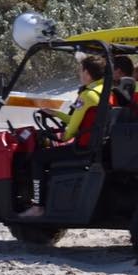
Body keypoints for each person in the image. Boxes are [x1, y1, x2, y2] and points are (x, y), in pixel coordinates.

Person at [21, 55, 106, 217]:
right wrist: (55, 114)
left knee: (38, 158)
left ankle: (38, 206)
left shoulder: (87, 96)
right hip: (96, 145)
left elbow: (69, 133)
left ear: (87, 73)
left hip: (83, 148)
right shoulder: (104, 91)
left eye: (80, 71)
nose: (79, 74)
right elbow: (79, 120)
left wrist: (56, 137)